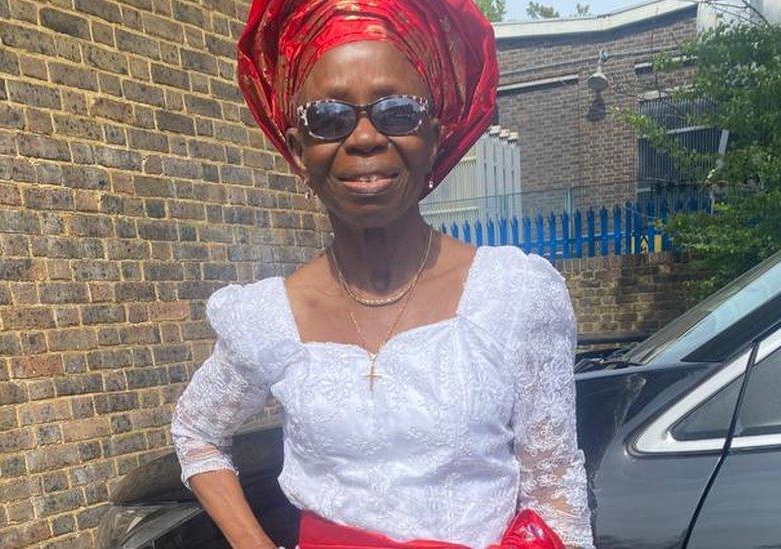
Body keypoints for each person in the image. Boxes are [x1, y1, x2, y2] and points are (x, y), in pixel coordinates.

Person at [169, 1, 594, 548]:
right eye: (328, 118)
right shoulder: (267, 318)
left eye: (397, 112)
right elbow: (197, 431)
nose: (365, 138)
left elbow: (555, 486)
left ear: (434, 137)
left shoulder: (513, 296)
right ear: (299, 151)